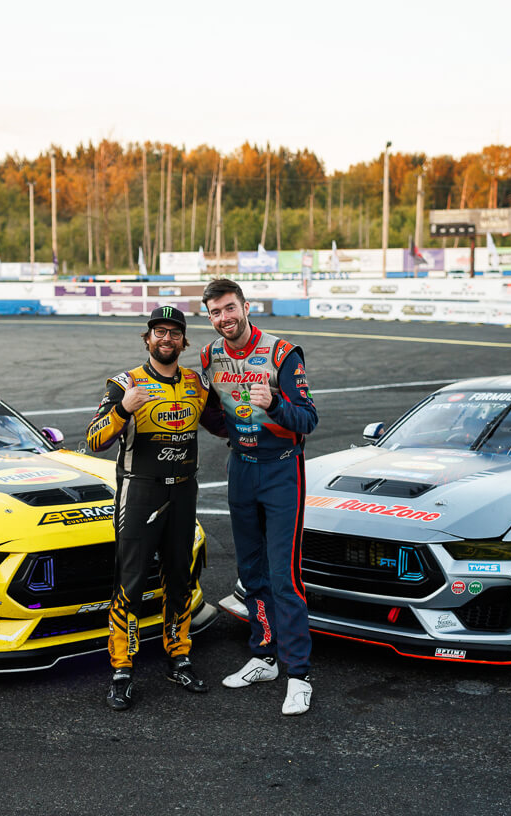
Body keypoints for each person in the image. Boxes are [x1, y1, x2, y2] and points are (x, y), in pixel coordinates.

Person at [87, 305, 224, 711]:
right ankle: (122, 669)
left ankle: (178, 657)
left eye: (174, 333)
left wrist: (260, 420)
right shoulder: (124, 383)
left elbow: (224, 423)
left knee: (179, 579)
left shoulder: (198, 384)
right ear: (147, 339)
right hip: (140, 492)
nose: (167, 340)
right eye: (159, 332)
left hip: (183, 492)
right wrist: (123, 409)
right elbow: (94, 440)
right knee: (130, 582)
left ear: (185, 341)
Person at [200, 279, 319, 715]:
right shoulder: (210, 355)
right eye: (215, 313)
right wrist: (212, 418)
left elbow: (308, 418)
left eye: (230, 308)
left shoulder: (283, 353)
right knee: (251, 574)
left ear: (246, 307)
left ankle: (299, 675)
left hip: (282, 470)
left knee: (285, 577)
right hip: (241, 470)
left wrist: (275, 406)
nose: (224, 318)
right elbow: (216, 416)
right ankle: (264, 655)